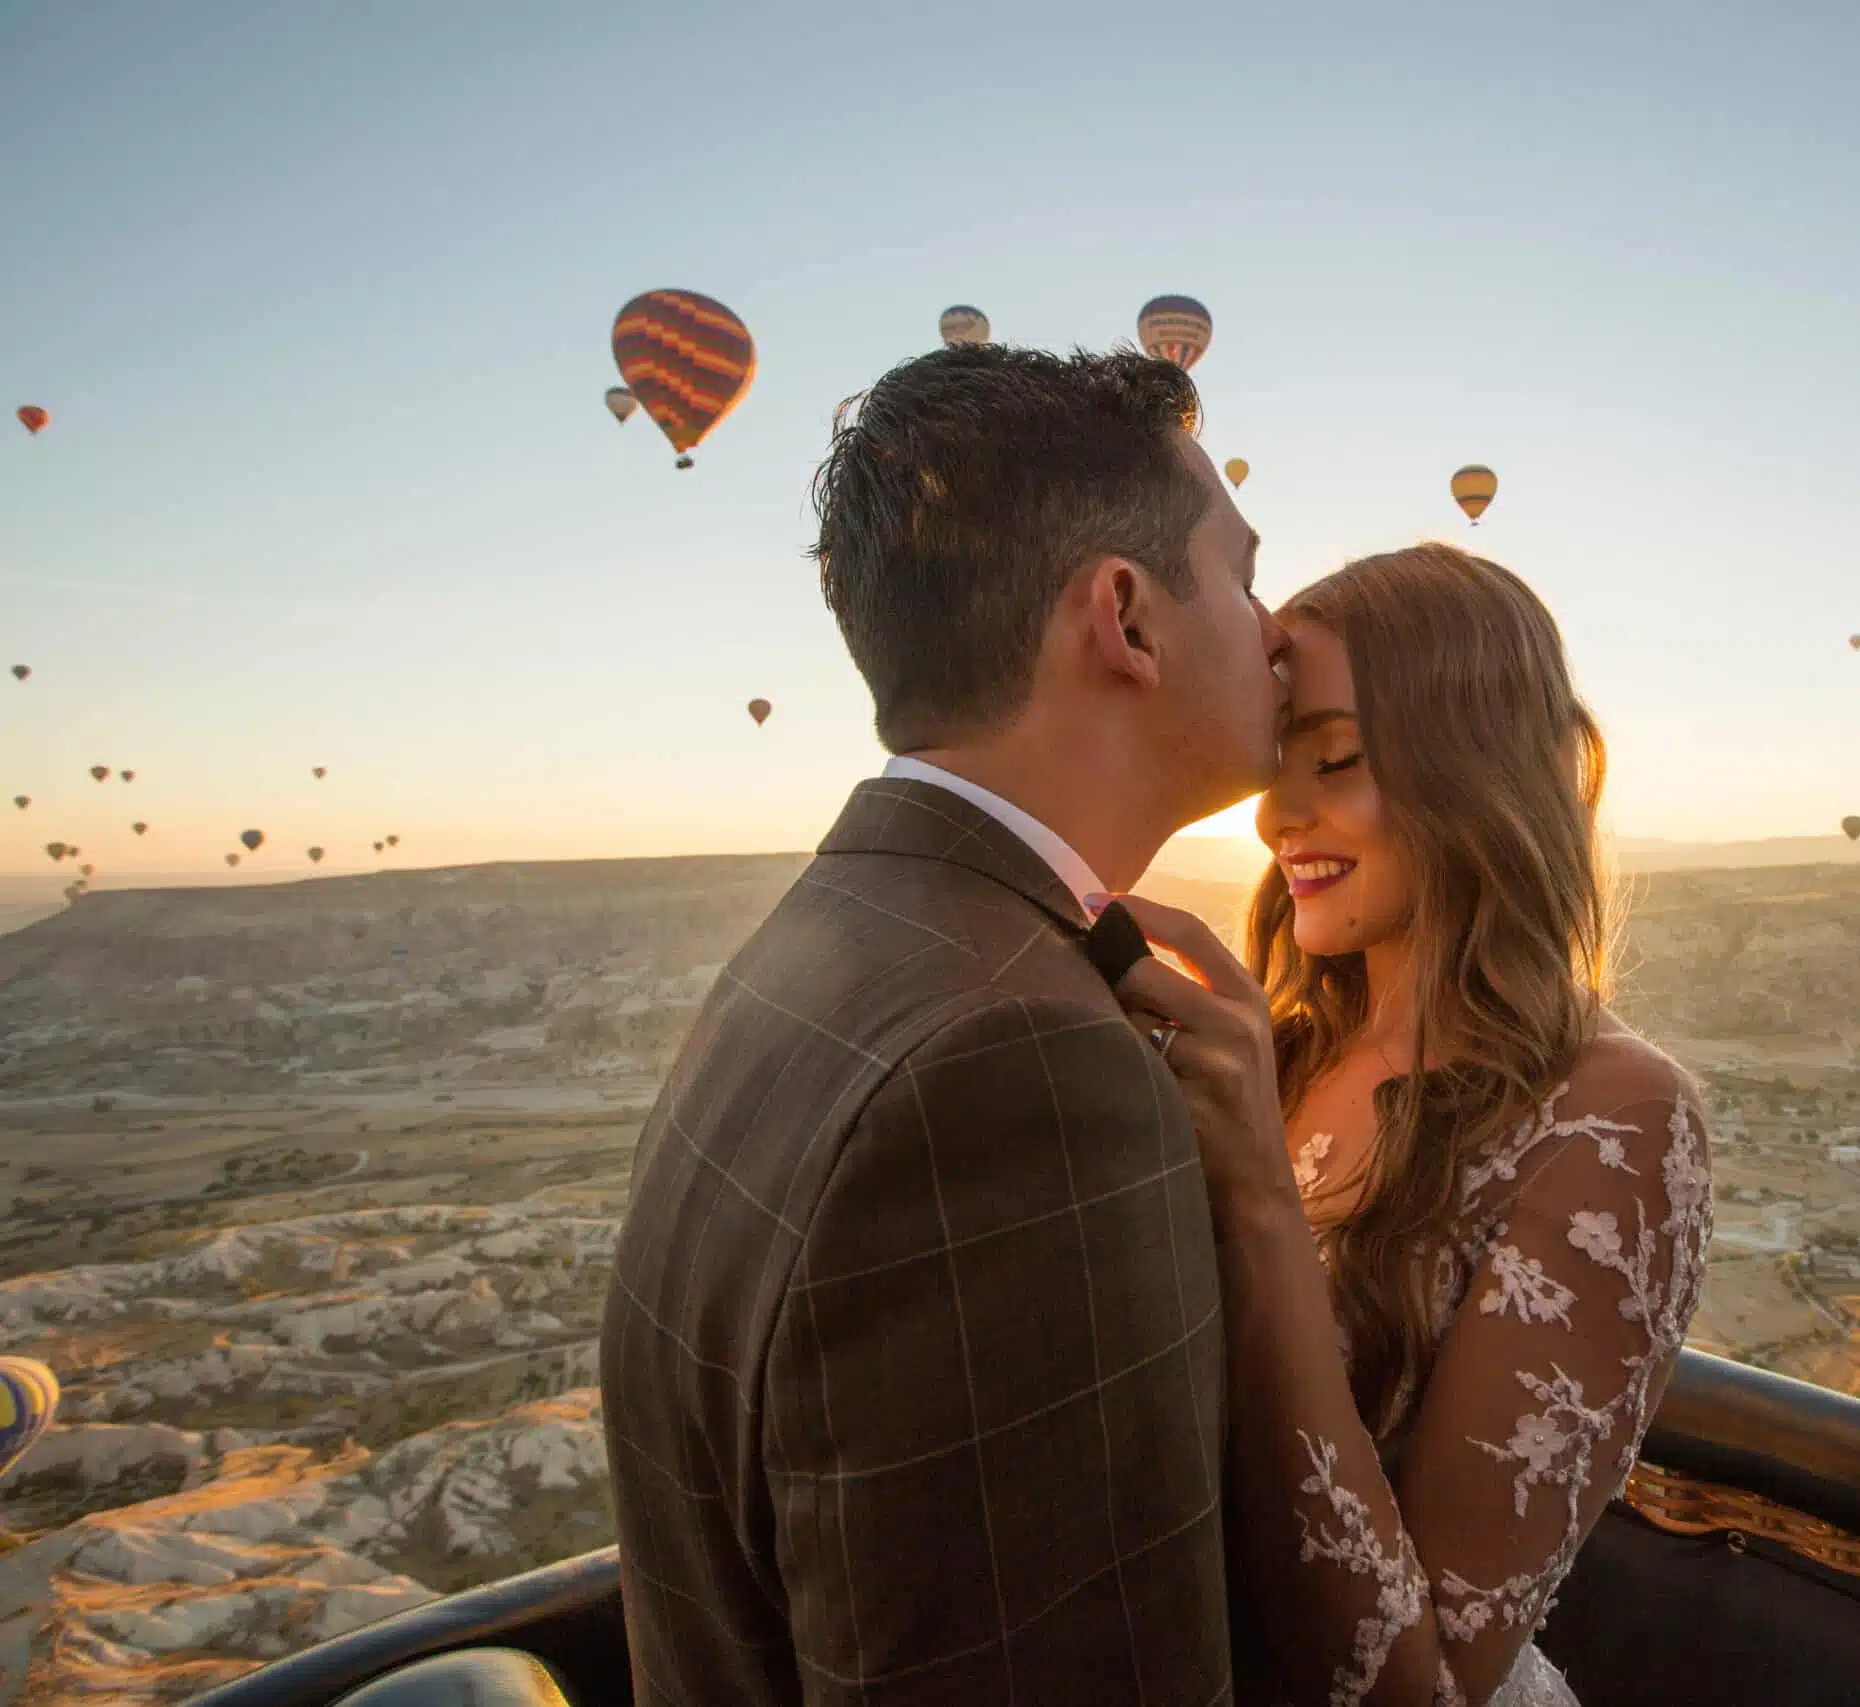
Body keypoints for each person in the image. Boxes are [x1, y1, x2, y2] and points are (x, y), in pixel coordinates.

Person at [601, 344, 1288, 1707]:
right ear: (1127, 619)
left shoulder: (819, 948)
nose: (1277, 627)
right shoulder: (1019, 1070)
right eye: (1248, 570)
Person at [1101, 544, 1715, 1707]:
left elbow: (1425, 1688)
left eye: (1334, 757)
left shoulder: (1617, 1120)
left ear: (1474, 768)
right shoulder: (1277, 1050)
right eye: (1278, 758)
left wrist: (1255, 1202)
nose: (1281, 813)